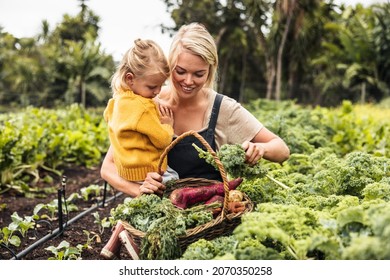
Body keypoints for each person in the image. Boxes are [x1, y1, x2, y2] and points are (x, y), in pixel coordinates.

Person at [100, 23, 290, 259]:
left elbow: (281, 149)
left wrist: (259, 148)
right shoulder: (147, 103)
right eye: (180, 71)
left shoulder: (223, 109)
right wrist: (140, 191)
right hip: (163, 227)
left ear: (211, 70)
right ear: (170, 67)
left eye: (199, 74)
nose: (188, 81)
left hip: (209, 225)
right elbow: (108, 167)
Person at [100, 38, 177, 259]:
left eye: (161, 85)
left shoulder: (117, 102)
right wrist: (167, 125)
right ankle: (136, 244)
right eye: (152, 87)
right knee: (171, 191)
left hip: (128, 169)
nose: (157, 92)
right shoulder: (144, 108)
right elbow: (163, 140)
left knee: (141, 201)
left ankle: (112, 244)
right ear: (130, 78)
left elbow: (110, 121)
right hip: (149, 170)